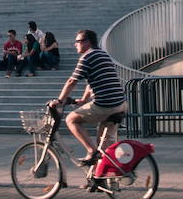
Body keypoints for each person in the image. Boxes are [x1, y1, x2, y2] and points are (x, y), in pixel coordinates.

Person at [50, 29, 126, 165]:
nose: (75, 44)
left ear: (87, 42)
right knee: (106, 148)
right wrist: (84, 100)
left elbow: (72, 81)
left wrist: (59, 100)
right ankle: (107, 180)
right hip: (119, 103)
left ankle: (91, 150)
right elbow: (92, 81)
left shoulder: (87, 57)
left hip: (105, 105)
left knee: (71, 119)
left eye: (78, 41)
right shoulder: (103, 54)